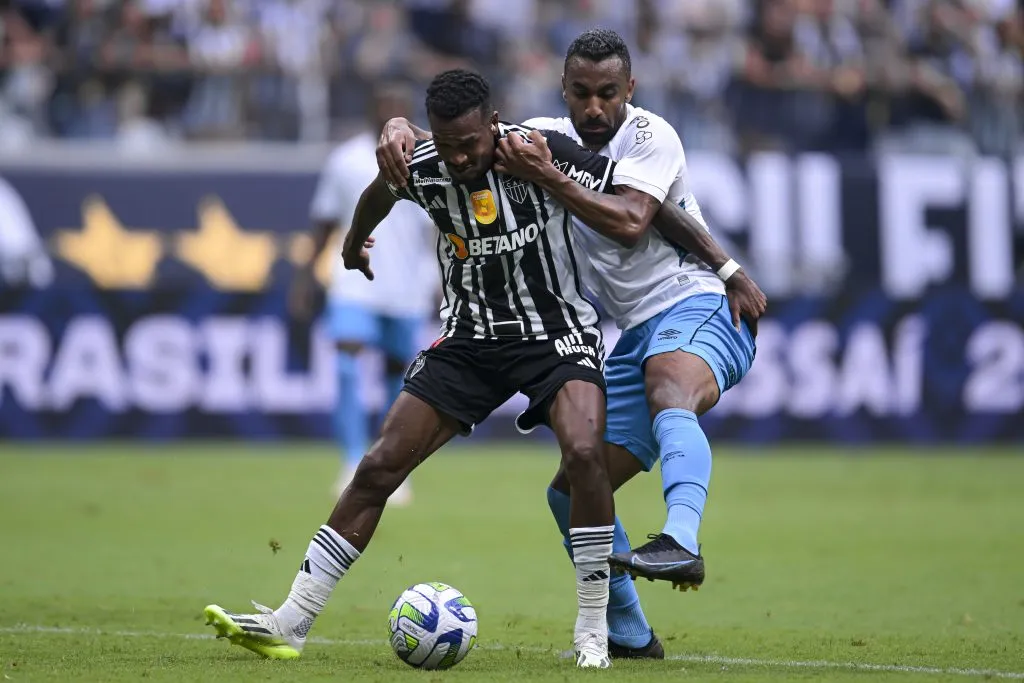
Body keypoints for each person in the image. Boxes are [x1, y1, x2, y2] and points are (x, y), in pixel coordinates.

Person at [205, 68, 634, 669]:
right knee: (379, 465)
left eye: (469, 143)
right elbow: (382, 189)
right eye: (446, 142)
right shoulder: (426, 162)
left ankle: (593, 630)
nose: (457, 157)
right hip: (469, 341)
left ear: (492, 123)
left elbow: (625, 204)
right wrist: (355, 242)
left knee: (586, 455)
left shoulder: (539, 152)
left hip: (554, 336)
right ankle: (292, 620)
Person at [377, 29, 767, 659]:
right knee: (573, 490)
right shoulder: (543, 139)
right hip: (636, 332)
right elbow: (457, 146)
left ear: (629, 91)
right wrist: (398, 125)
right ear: (564, 89)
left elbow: (640, 219)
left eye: (607, 93)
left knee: (671, 383)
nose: (594, 108)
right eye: (581, 93)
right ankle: (631, 634)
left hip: (696, 303)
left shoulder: (648, 134)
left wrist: (728, 272)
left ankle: (682, 539)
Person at [290, 83, 436, 504]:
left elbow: (438, 234)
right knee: (347, 366)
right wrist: (304, 278)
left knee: (399, 379)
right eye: (384, 105)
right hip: (353, 283)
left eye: (400, 107)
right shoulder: (347, 160)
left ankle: (387, 465)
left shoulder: (428, 160)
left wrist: (442, 284)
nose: (391, 112)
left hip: (407, 287)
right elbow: (324, 224)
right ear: (374, 111)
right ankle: (351, 460)